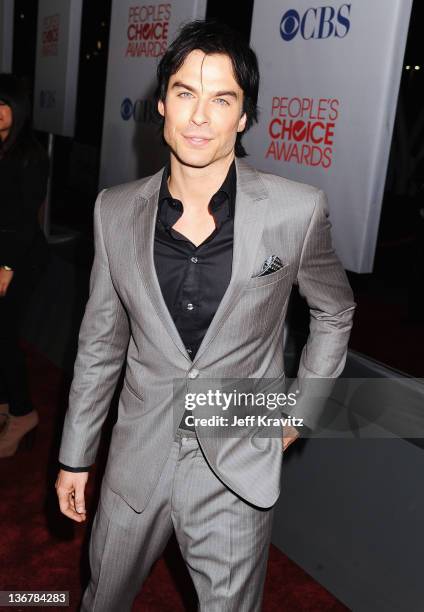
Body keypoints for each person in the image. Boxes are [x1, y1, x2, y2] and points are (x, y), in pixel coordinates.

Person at [56, 20, 356, 611]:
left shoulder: (295, 211)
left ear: (243, 117)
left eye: (222, 99)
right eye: (186, 94)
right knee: (101, 600)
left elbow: (335, 310)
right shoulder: (114, 212)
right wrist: (75, 454)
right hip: (136, 460)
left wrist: (300, 410)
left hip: (237, 464)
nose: (200, 116)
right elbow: (100, 343)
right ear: (162, 103)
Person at [0, 74, 50, 458]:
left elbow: (21, 220)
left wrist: (6, 266)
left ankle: (22, 412)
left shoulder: (31, 154)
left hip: (19, 259)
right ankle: (4, 403)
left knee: (4, 336)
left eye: (2, 105)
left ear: (18, 110)